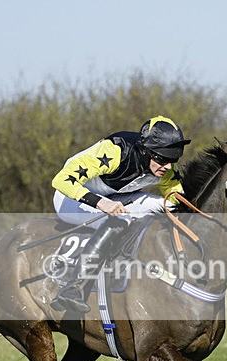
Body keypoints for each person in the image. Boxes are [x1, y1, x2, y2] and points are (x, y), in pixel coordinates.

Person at [50, 115, 191, 313]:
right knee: (120, 220)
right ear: (145, 150)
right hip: (72, 198)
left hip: (117, 197)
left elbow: (177, 199)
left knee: (166, 207)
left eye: (172, 160)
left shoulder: (165, 167)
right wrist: (101, 203)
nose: (168, 167)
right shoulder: (115, 151)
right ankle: (73, 288)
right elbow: (61, 180)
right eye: (162, 159)